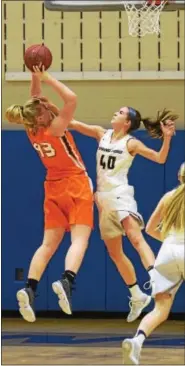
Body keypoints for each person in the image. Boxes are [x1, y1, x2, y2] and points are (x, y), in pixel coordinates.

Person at [69, 107, 177, 322]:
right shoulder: (102, 133)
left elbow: (160, 159)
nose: (115, 114)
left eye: (119, 112)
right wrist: (49, 109)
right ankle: (137, 295)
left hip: (121, 195)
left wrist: (166, 138)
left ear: (127, 122)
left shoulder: (131, 143)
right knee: (115, 253)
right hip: (103, 199)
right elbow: (72, 123)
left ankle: (157, 278)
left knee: (136, 238)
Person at [5, 66, 94, 322]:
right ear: (42, 116)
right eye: (43, 106)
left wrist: (35, 74)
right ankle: (66, 280)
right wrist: (47, 78)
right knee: (80, 240)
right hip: (75, 184)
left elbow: (35, 97)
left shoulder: (31, 129)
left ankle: (29, 288)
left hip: (52, 187)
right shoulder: (56, 127)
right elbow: (72, 99)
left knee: (47, 245)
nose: (45, 104)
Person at [122, 162, 185, 365]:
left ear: (179, 176)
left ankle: (136, 341)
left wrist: (170, 243)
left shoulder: (169, 197)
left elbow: (149, 228)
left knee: (160, 309)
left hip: (166, 251)